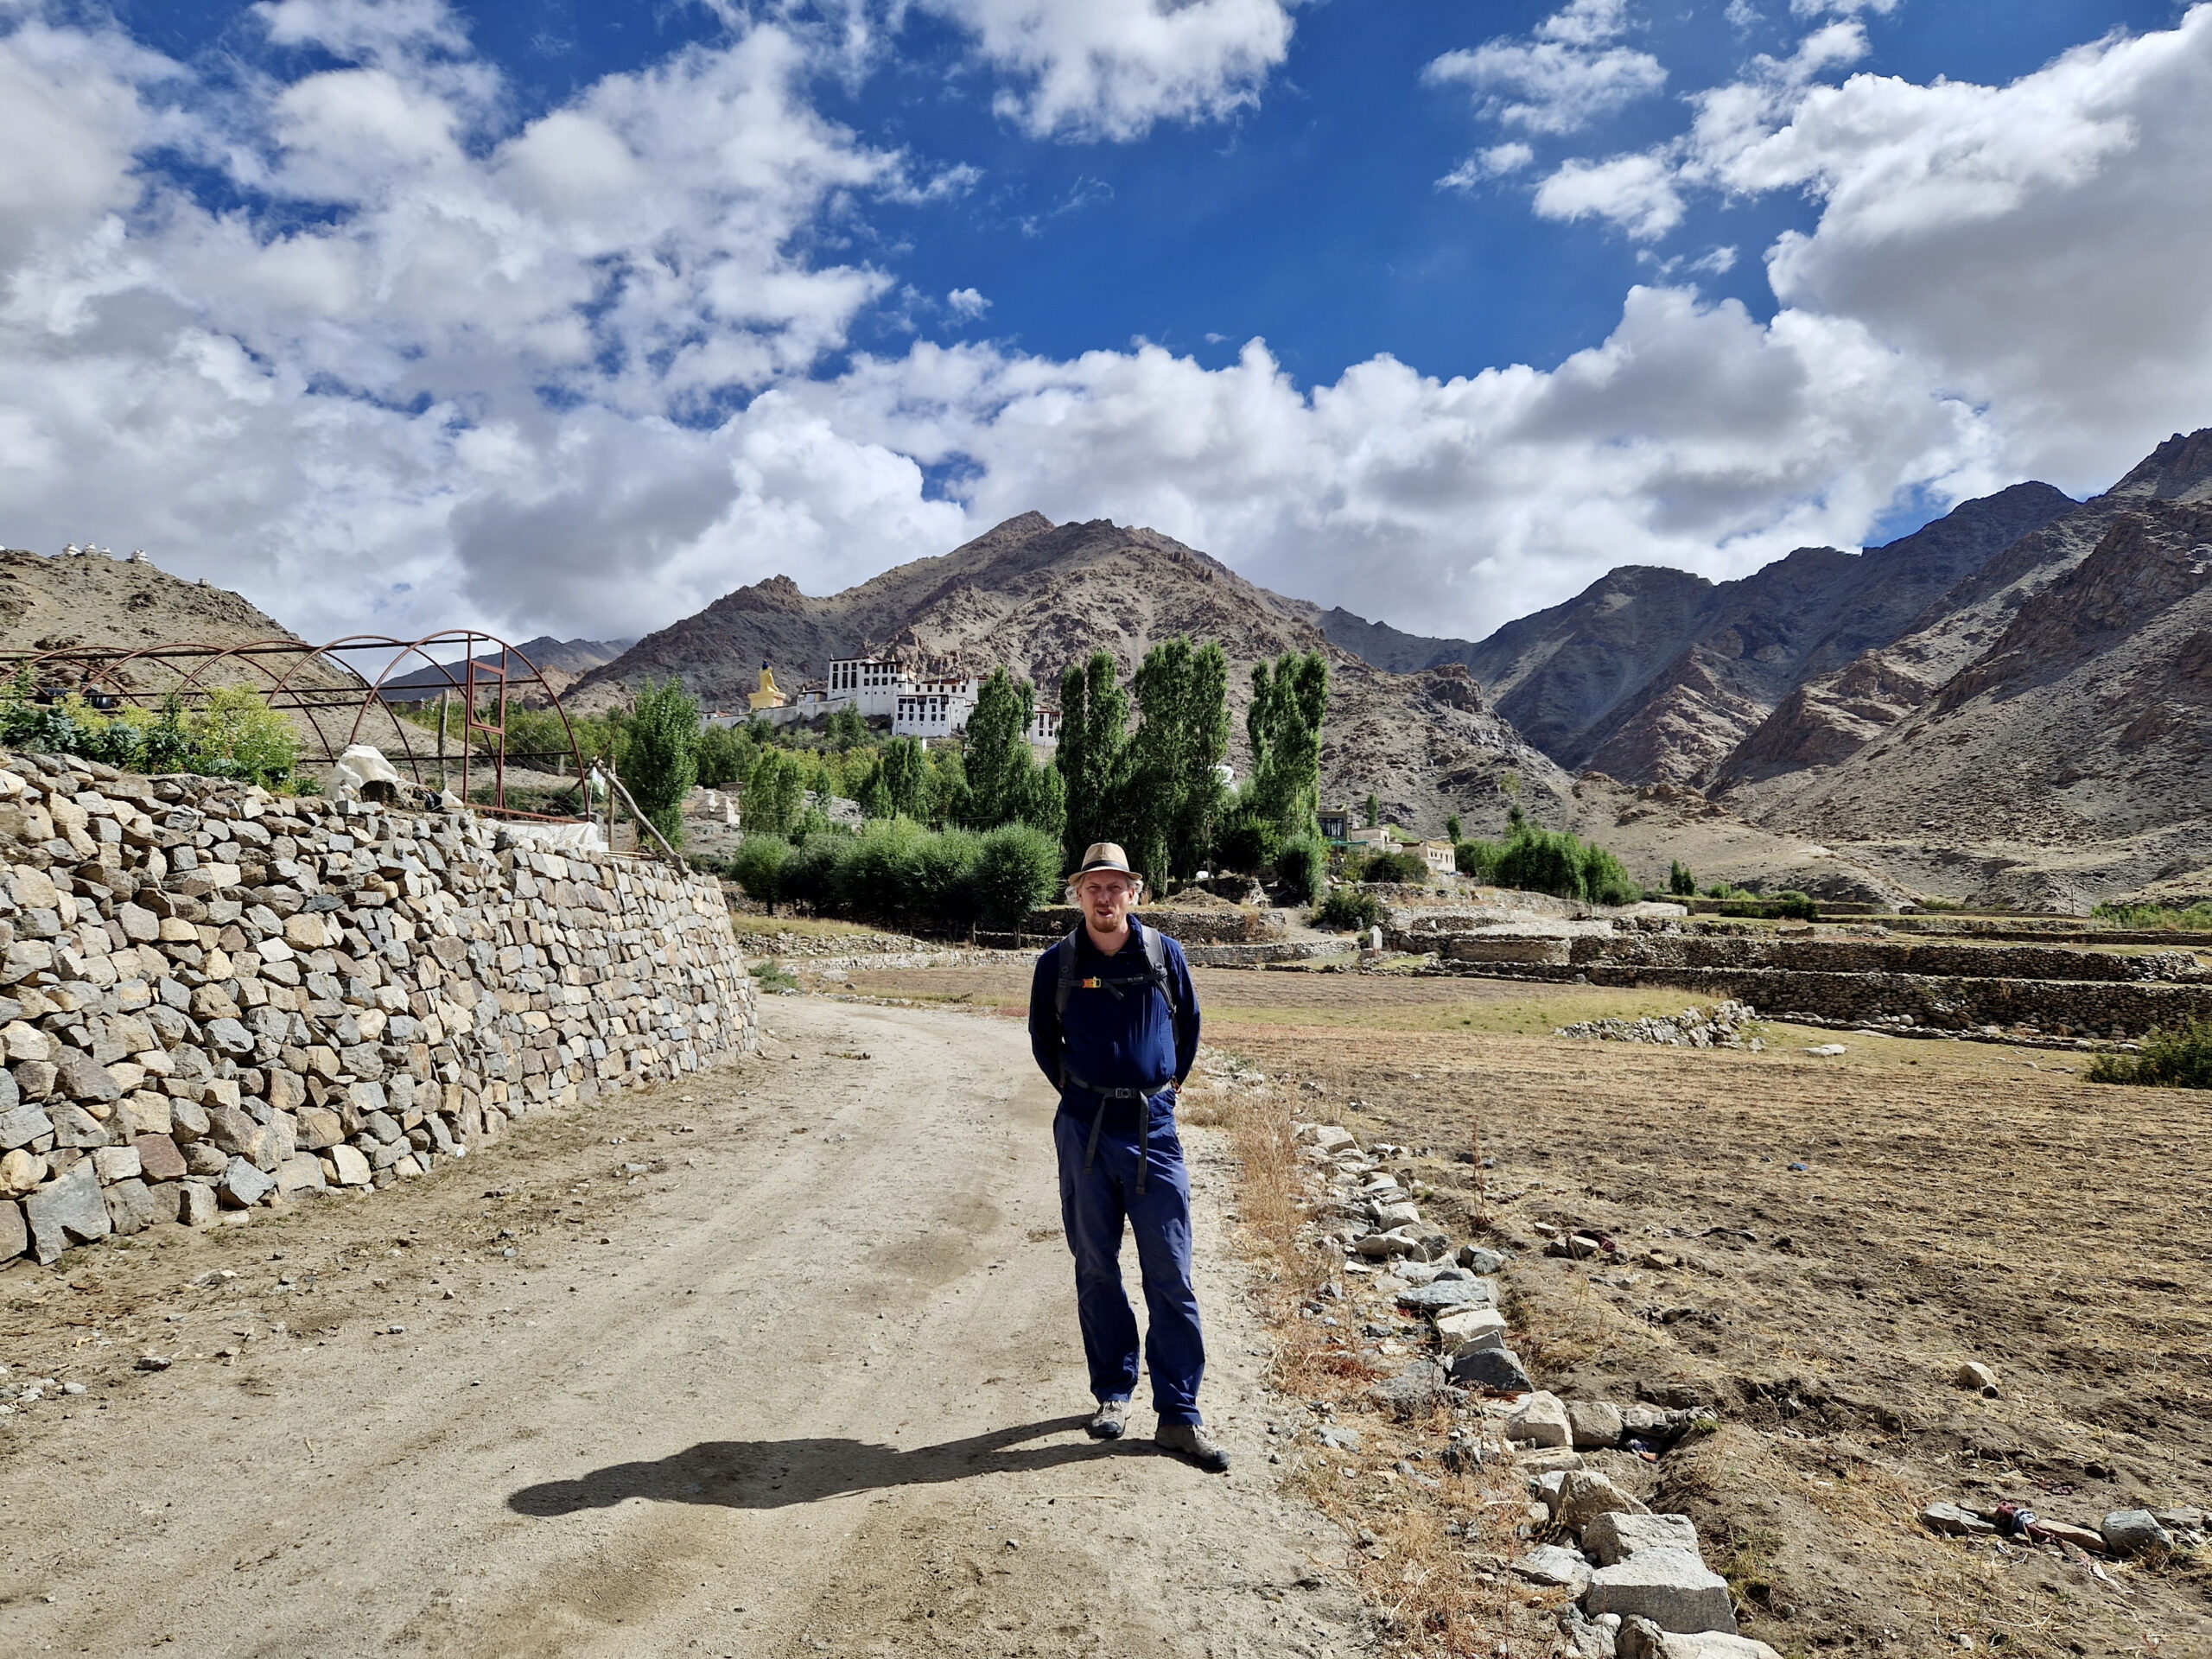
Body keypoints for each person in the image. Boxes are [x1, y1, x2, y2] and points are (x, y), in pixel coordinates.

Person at [1027, 842, 1228, 1473]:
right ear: (1078, 894)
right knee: (1095, 1266)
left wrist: (1161, 1091)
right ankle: (1113, 1394)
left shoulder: (1165, 954)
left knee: (1171, 1272)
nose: (1106, 897)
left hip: (1155, 1133)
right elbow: (1043, 1040)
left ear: (1134, 894)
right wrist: (1084, 1096)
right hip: (1084, 1130)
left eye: (1117, 887)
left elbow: (1189, 1027)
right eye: (1095, 887)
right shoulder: (1056, 964)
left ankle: (1179, 1415)